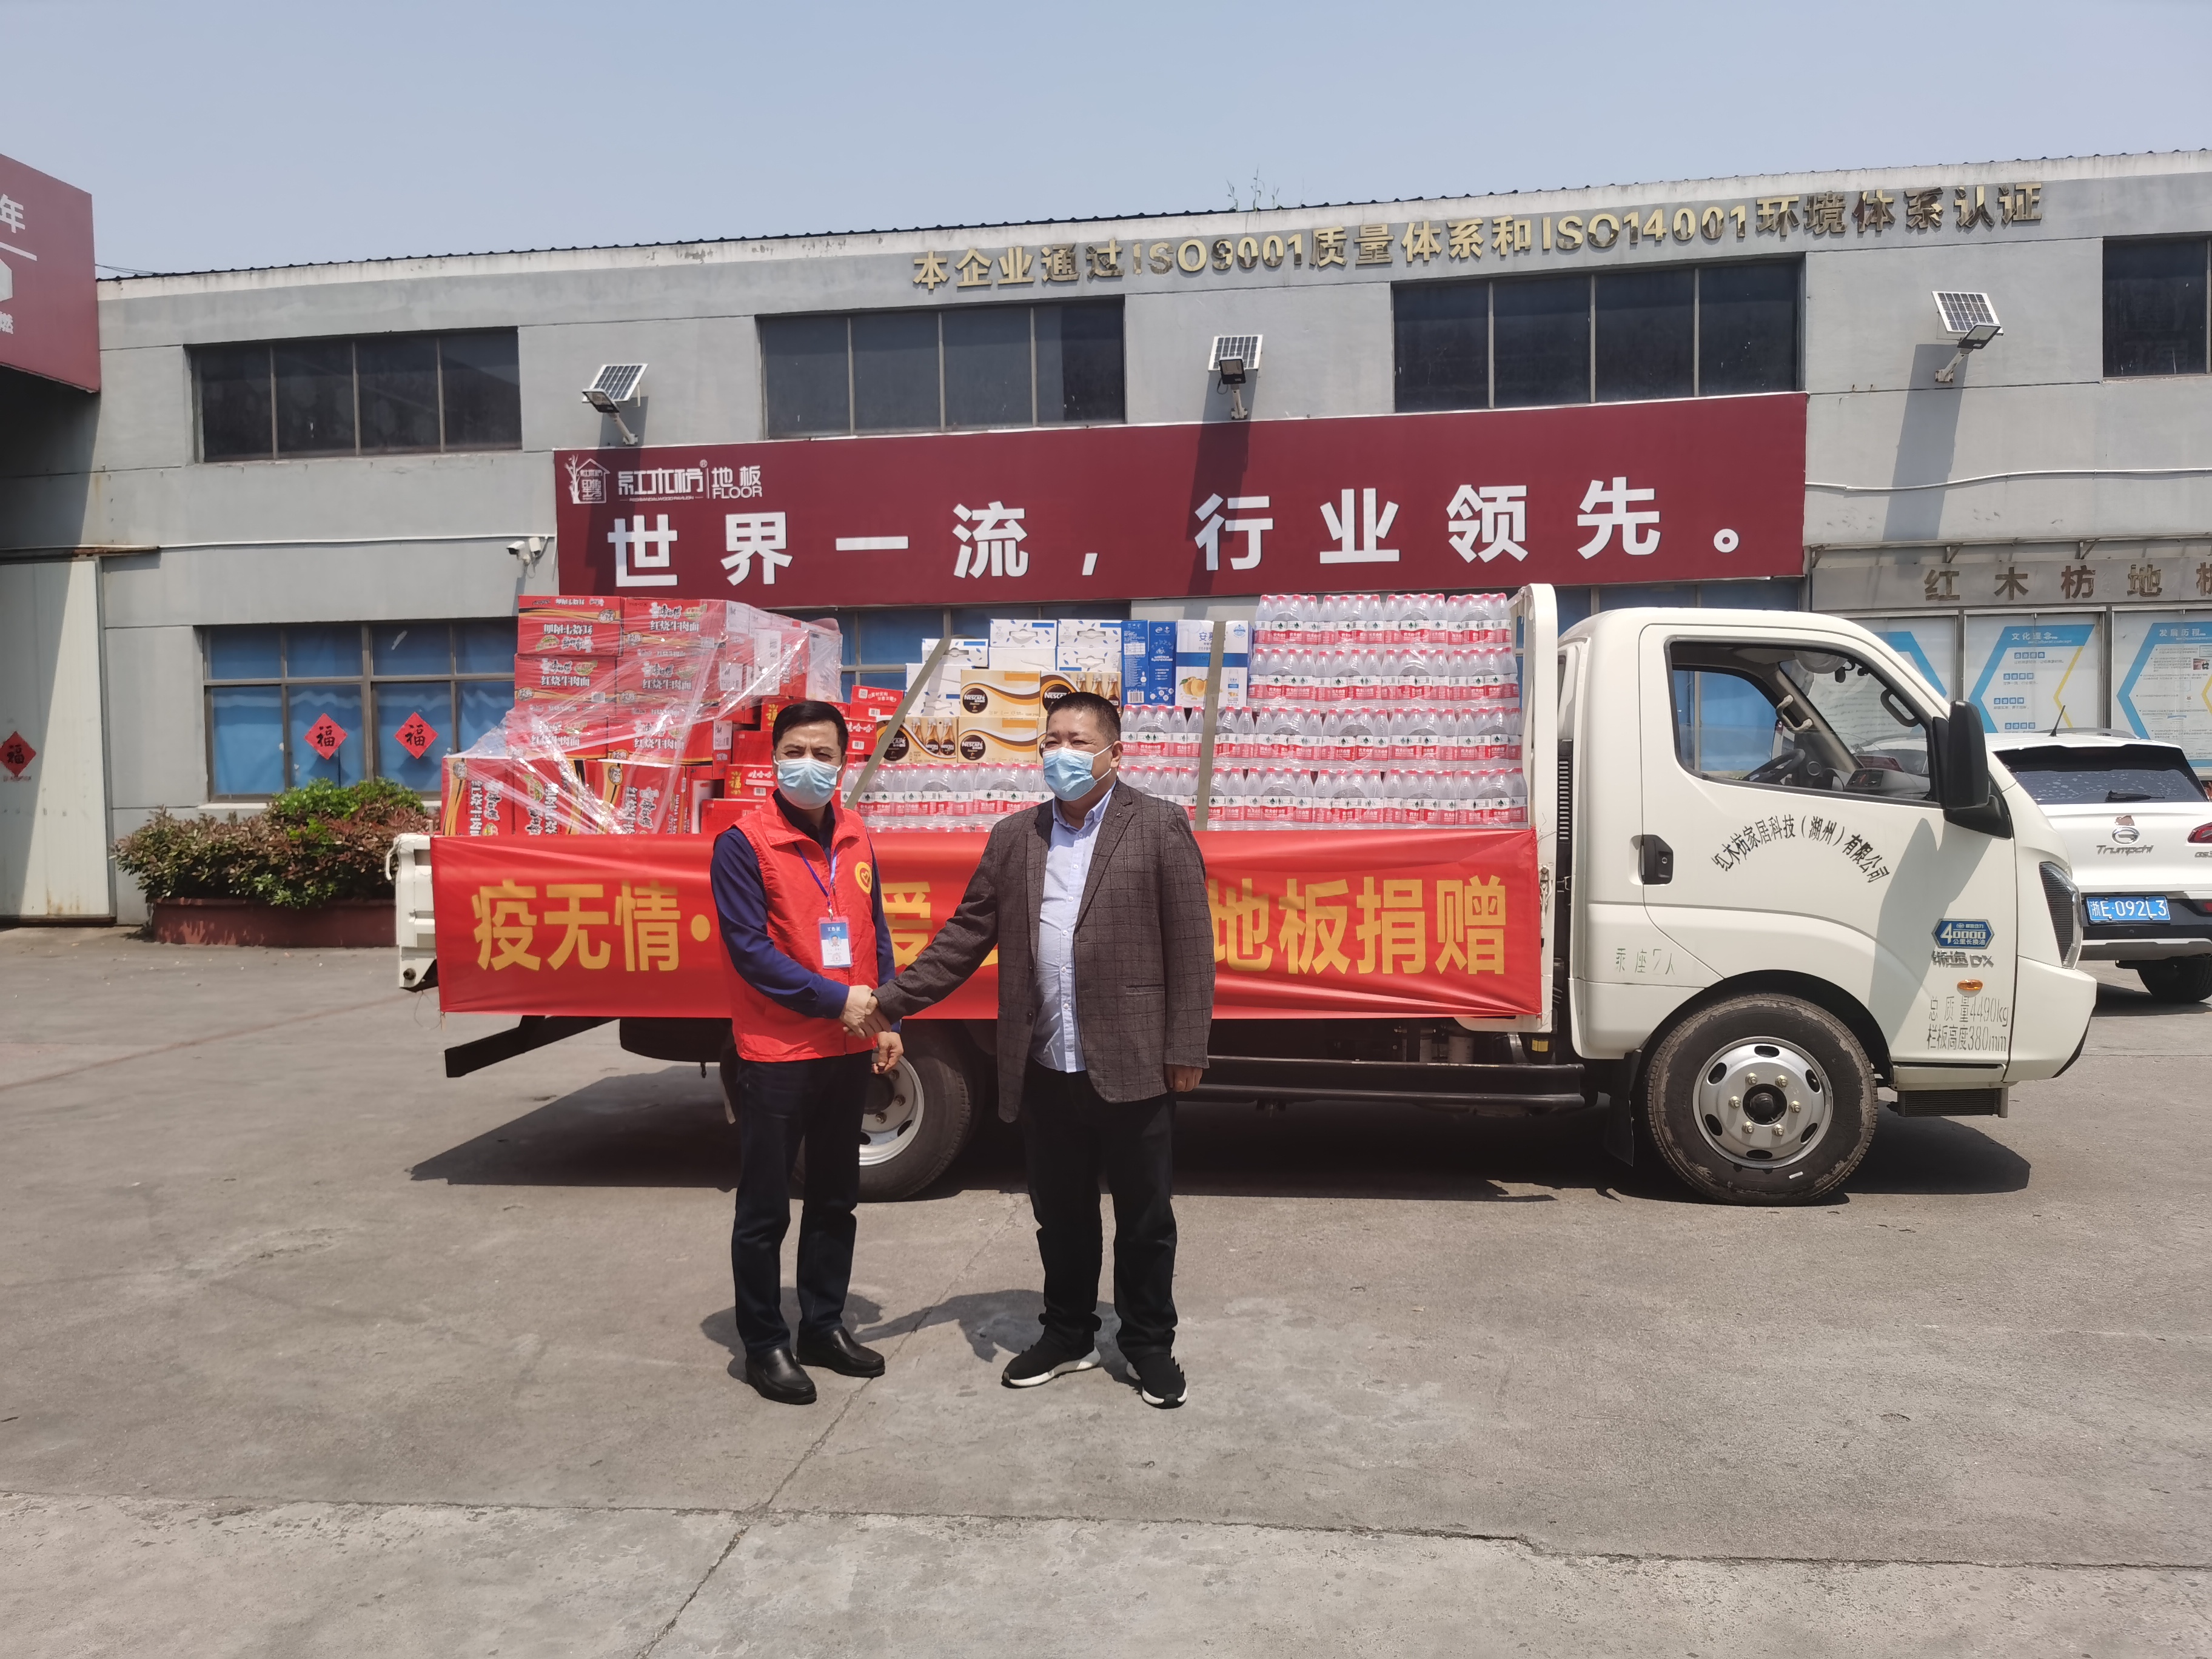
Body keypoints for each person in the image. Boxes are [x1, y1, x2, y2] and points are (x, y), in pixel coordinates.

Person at [848, 691, 1213, 1408]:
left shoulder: (1159, 826)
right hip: (1046, 1060)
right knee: (1061, 1215)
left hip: (1134, 1058)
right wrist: (891, 999)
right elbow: (964, 936)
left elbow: (1192, 946)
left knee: (1145, 1218)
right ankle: (1069, 1333)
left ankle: (1148, 1343)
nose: (1060, 754)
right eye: (1051, 741)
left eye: (1077, 741)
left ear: (1115, 754)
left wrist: (1186, 1046)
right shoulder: (1017, 836)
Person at [712, 699, 903, 1406]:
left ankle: (823, 1325)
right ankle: (764, 1342)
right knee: (766, 1208)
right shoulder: (743, 844)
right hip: (777, 1051)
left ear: (844, 763)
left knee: (835, 1198)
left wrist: (884, 1013)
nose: (809, 765)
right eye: (796, 751)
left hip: (847, 1045)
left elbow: (872, 928)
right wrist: (834, 1001)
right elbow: (750, 952)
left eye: (824, 754)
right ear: (774, 757)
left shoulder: (855, 832)